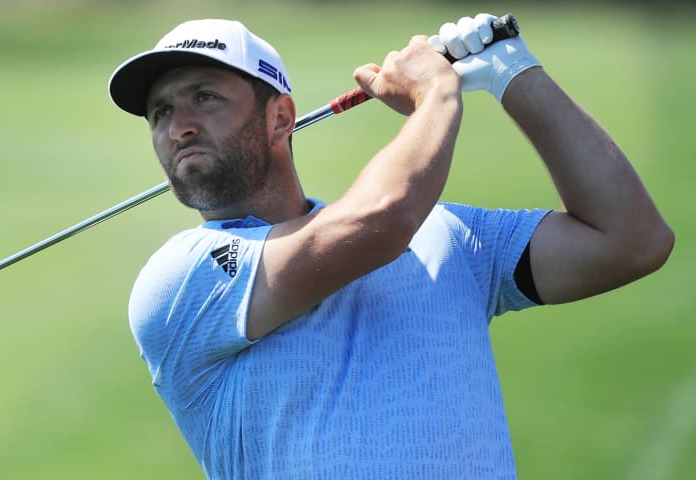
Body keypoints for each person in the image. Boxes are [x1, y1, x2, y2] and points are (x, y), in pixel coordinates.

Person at [108, 14, 673, 479]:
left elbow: (631, 241)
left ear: (281, 118)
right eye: (161, 112)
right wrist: (435, 98)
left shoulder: (447, 236)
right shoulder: (182, 278)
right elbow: (382, 218)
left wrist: (515, 74)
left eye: (203, 98)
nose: (178, 125)